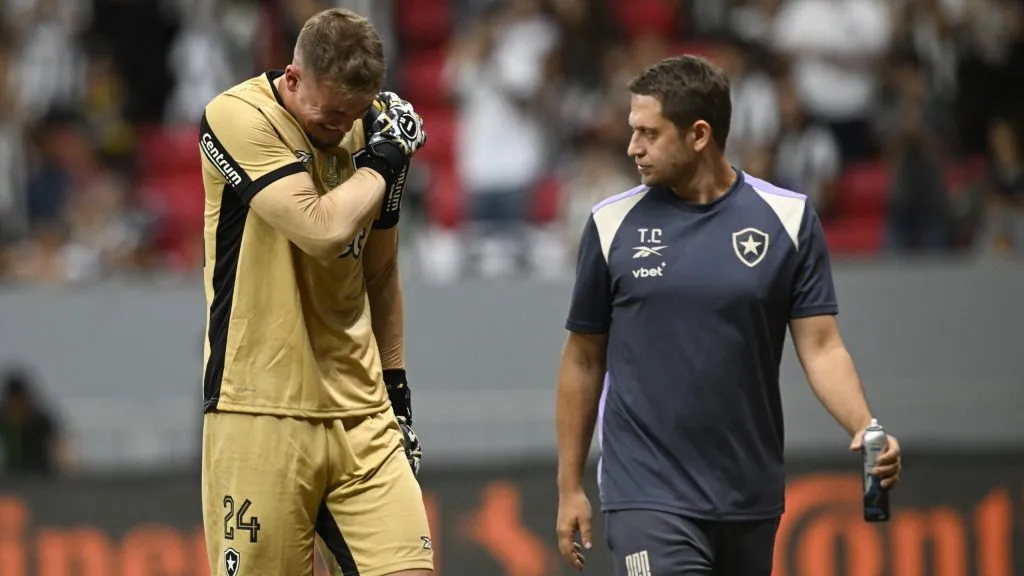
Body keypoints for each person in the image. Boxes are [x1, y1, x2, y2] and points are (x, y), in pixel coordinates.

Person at [554, 55, 902, 575]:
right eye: (632, 131)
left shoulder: (788, 220)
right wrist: (568, 487)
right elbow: (582, 360)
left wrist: (865, 426)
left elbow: (822, 345)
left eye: (648, 133)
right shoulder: (610, 225)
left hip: (748, 494)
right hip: (645, 490)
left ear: (699, 134)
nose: (632, 147)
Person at [197, 8, 431, 576]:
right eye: (330, 116)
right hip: (258, 410)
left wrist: (395, 386)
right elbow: (322, 229)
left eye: (355, 114)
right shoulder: (234, 117)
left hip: (362, 414)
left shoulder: (371, 128)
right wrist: (382, 161)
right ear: (292, 77)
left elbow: (379, 271)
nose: (342, 128)